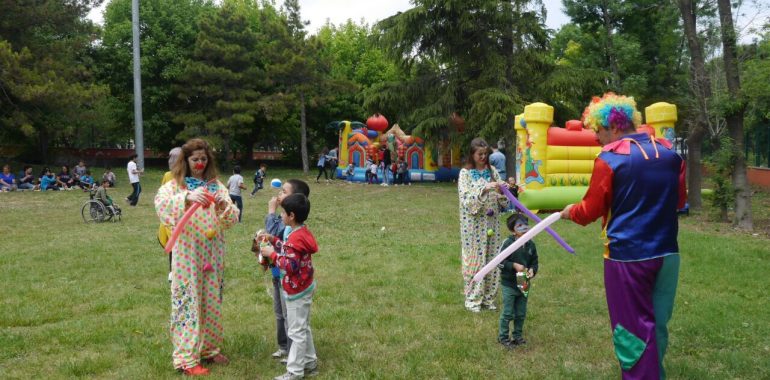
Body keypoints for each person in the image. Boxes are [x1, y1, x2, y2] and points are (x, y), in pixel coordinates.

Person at [560, 93, 686, 379]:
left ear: (613, 126)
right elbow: (679, 201)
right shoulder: (671, 154)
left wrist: (570, 212)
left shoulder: (609, 159)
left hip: (628, 259)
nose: (596, 138)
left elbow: (589, 210)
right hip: (668, 254)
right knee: (657, 322)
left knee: (631, 330)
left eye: (598, 131)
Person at [154, 138, 239, 376]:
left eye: (203, 159)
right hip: (187, 253)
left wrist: (224, 206)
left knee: (212, 301)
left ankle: (209, 349)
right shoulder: (175, 185)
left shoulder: (216, 185)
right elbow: (161, 206)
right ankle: (185, 358)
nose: (199, 163)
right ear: (186, 160)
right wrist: (187, 198)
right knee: (188, 302)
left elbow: (232, 219)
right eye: (195, 159)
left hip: (213, 253)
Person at [258, 193, 319, 380]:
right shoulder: (299, 232)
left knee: (296, 331)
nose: (280, 216)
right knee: (303, 327)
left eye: (282, 213)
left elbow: (290, 265)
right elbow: (289, 249)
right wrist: (274, 240)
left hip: (297, 291)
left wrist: (272, 254)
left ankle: (295, 371)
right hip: (304, 287)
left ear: (291, 216)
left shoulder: (295, 238)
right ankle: (309, 361)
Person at [458, 138, 508, 312]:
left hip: (492, 226)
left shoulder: (492, 171)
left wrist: (503, 190)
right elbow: (466, 201)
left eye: (485, 154)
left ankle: (488, 298)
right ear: (472, 154)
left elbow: (503, 203)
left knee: (493, 260)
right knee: (475, 261)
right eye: (480, 154)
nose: (483, 157)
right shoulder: (465, 174)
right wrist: (485, 189)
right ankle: (473, 299)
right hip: (473, 227)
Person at [497, 213, 538, 348]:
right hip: (509, 283)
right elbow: (499, 262)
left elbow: (534, 262)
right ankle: (503, 337)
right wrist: (514, 265)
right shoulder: (508, 243)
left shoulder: (531, 245)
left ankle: (517, 336)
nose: (524, 227)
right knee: (508, 312)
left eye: (525, 224)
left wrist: (532, 270)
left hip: (523, 280)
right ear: (512, 229)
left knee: (520, 313)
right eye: (519, 225)